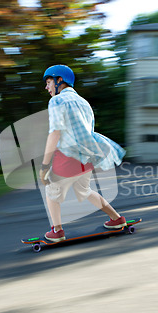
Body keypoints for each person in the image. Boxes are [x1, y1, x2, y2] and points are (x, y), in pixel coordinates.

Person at [40, 64, 126, 242]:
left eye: (48, 82)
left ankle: (57, 231)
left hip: (67, 157)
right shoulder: (84, 102)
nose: (46, 87)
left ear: (59, 80)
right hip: (86, 158)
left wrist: (44, 165)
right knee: (84, 190)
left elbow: (55, 133)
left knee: (51, 191)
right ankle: (117, 219)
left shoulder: (56, 101)